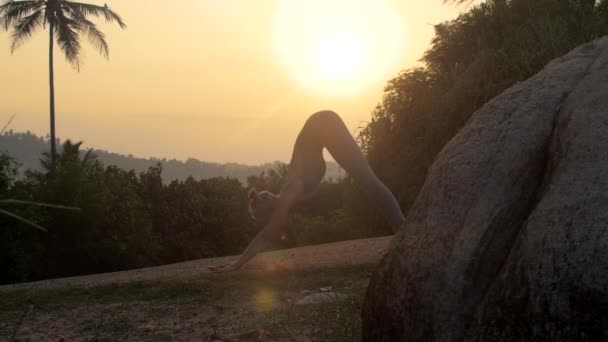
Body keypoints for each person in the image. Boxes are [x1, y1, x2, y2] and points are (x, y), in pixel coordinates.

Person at [208, 110, 405, 273]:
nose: (262, 195)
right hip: (323, 125)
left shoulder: (289, 191)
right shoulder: (288, 191)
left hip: (324, 125)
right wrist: (238, 262)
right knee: (368, 182)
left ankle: (403, 234)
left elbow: (267, 234)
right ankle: (402, 233)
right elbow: (268, 232)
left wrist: (238, 263)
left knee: (368, 181)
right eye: (261, 200)